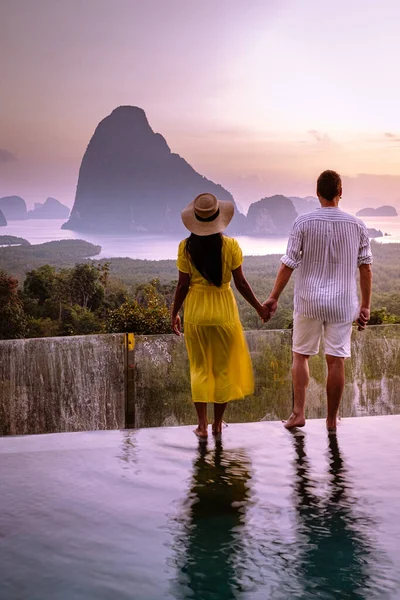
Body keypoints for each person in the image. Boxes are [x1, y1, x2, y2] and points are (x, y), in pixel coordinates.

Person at [263, 170, 373, 432]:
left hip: (308, 300)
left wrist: (273, 297)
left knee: (300, 356)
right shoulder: (357, 225)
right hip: (342, 303)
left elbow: (288, 263)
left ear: (317, 192)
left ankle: (298, 414)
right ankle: (332, 420)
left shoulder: (303, 222)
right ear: (340, 191)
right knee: (335, 360)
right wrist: (365, 305)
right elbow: (366, 267)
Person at [171, 192, 268, 439]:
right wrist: (259, 307)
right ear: (218, 219)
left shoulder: (186, 247)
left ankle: (202, 426)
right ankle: (218, 423)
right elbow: (242, 284)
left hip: (196, 312)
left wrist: (174, 314)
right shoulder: (231, 246)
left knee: (200, 368)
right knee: (223, 369)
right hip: (224, 311)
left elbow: (182, 286)